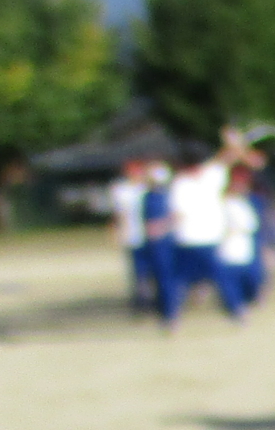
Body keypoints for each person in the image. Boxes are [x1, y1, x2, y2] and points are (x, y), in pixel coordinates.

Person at [154, 129, 254, 331]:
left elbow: (178, 214)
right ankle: (238, 312)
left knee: (177, 280)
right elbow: (228, 157)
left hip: (187, 240)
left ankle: (172, 319)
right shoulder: (212, 175)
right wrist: (233, 140)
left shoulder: (180, 182)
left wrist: (161, 227)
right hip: (213, 238)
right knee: (222, 277)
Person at [109, 157, 155, 311]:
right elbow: (118, 214)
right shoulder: (120, 190)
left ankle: (154, 297)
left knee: (153, 268)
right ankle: (141, 300)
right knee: (138, 270)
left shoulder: (148, 188)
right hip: (132, 235)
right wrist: (116, 231)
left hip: (150, 235)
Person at [219, 165, 266, 310]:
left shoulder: (249, 202)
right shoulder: (223, 202)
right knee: (232, 276)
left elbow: (253, 225)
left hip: (246, 244)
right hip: (229, 245)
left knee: (252, 276)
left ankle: (252, 297)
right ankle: (236, 305)